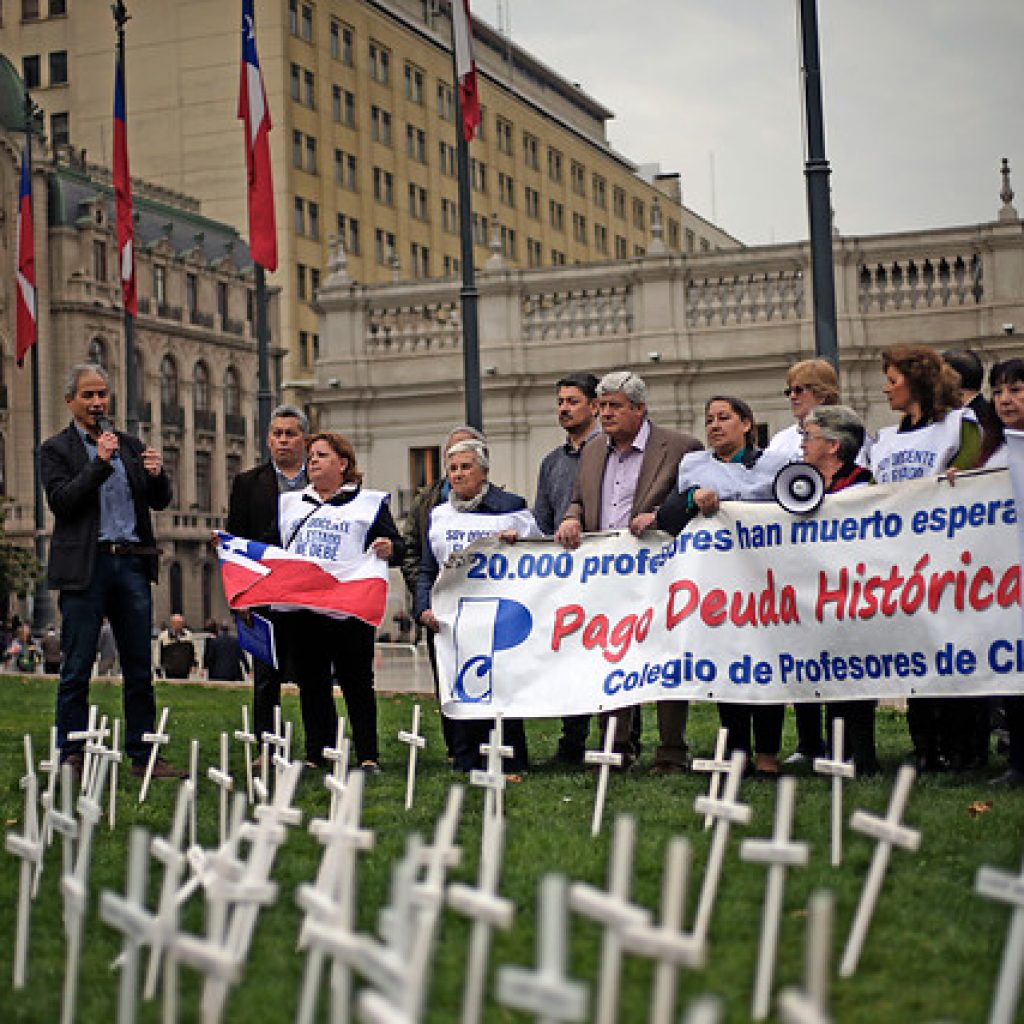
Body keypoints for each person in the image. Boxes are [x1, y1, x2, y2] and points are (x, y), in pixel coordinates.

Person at [40, 363, 184, 778]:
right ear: (70, 401)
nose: (97, 402)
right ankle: (72, 753)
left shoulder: (130, 446)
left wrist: (157, 476)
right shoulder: (57, 450)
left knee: (139, 666)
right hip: (87, 566)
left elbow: (158, 501)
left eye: (102, 394)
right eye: (88, 395)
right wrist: (99, 463)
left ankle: (144, 755)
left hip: (131, 563)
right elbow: (63, 502)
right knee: (77, 665)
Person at [555, 370, 702, 771]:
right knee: (612, 655)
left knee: (667, 658)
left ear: (639, 408)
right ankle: (615, 749)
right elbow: (579, 500)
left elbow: (692, 502)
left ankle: (671, 751)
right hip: (607, 576)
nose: (605, 413)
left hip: (663, 574)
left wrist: (660, 515)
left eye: (614, 406)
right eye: (601, 406)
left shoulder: (680, 447)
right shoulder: (591, 451)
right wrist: (571, 518)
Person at [650, 395, 790, 777]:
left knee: (765, 660)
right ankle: (738, 750)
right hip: (718, 583)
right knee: (730, 661)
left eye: (723, 417)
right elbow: (669, 518)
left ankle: (767, 753)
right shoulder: (694, 465)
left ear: (746, 424)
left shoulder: (776, 465)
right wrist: (692, 498)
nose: (714, 425)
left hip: (764, 577)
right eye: (709, 418)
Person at [870, 344, 981, 772]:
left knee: (952, 650)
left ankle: (963, 745)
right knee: (915, 651)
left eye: (892, 381)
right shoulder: (884, 441)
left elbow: (979, 466)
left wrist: (963, 475)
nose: (886, 389)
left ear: (916, 383)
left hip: (949, 560)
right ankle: (925, 746)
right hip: (901, 563)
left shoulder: (959, 424)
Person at [281, 431, 405, 772]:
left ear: (343, 464)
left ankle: (367, 754)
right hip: (305, 610)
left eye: (321, 455)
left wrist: (389, 548)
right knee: (312, 684)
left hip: (350, 609)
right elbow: (269, 547)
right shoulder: (290, 504)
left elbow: (399, 548)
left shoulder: (368, 504)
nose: (313, 461)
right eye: (310, 456)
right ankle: (317, 752)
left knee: (357, 684)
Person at [415, 438, 539, 772]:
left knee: (501, 689)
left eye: (466, 467)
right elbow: (428, 568)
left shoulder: (511, 509)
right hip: (453, 620)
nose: (458, 474)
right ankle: (466, 758)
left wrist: (519, 543)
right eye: (452, 468)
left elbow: (539, 553)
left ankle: (510, 759)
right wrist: (423, 608)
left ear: (484, 472)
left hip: (499, 615)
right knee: (461, 689)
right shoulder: (439, 516)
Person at [799, 405, 879, 774]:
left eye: (809, 436)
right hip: (817, 594)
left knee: (856, 676)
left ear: (833, 445)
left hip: (855, 592)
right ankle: (833, 750)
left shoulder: (863, 484)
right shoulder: (803, 484)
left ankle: (861, 754)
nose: (802, 444)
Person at [400, 424, 487, 760]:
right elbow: (414, 553)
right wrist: (429, 597)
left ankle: (492, 744)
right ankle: (457, 747)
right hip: (441, 610)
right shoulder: (427, 503)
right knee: (448, 676)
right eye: (453, 459)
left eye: (466, 459)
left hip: (483, 607)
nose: (458, 467)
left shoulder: (500, 503)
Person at [227, 404, 308, 747]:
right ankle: (267, 744)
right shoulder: (248, 483)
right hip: (264, 592)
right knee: (265, 676)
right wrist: (241, 596)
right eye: (277, 434)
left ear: (304, 439)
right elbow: (237, 541)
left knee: (314, 674)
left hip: (309, 592)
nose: (283, 440)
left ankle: (319, 747)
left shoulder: (320, 480)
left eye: (290, 434)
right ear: (268, 440)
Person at [534, 372, 601, 767]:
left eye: (572, 401)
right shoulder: (551, 463)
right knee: (570, 659)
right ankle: (571, 743)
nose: (564, 408)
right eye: (560, 401)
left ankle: (619, 742)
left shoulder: (610, 453)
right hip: (565, 576)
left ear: (594, 406)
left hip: (608, 571)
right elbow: (542, 522)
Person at [974, 358, 1024, 786]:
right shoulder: (993, 451)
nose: (1005, 400)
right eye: (999, 392)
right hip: (1005, 584)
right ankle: (1019, 763)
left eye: (1016, 390)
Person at [157, 613, 197, 680]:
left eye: (181, 623)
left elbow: (193, 651)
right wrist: (158, 669)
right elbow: (158, 653)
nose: (180, 625)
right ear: (172, 623)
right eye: (178, 623)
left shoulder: (188, 635)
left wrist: (194, 665)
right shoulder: (163, 636)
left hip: (184, 669)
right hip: (170, 670)